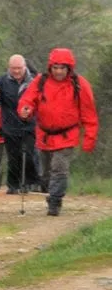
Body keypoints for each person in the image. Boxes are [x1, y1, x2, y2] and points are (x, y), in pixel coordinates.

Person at [18, 48, 98, 216]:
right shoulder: (40, 81)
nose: (59, 71)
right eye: (55, 67)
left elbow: (88, 113)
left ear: (69, 68)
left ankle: (55, 201)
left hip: (67, 135)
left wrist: (89, 138)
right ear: (50, 67)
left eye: (62, 68)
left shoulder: (80, 84)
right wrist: (25, 110)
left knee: (59, 168)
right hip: (45, 135)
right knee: (46, 173)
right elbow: (28, 100)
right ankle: (51, 193)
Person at [0, 55, 39, 194]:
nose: (16, 71)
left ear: (25, 67)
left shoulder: (34, 81)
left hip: (29, 124)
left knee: (29, 154)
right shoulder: (2, 81)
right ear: (9, 68)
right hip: (10, 124)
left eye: (19, 68)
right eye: (13, 68)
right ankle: (13, 185)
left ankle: (31, 182)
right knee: (13, 156)